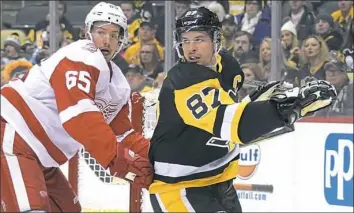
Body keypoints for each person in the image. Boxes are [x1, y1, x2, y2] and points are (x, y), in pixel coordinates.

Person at [148, 7, 336, 212]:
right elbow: (234, 126)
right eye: (185, 40)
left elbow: (226, 113)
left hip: (221, 181)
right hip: (180, 188)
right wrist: (290, 108)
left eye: (199, 39)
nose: (191, 48)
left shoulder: (228, 66)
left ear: (216, 40)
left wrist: (256, 105)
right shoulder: (182, 81)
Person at [0, 2, 153, 212]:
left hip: (42, 156)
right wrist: (115, 159)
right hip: (14, 135)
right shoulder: (79, 55)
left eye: (114, 34)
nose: (106, 40)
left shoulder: (116, 82)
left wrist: (159, 155)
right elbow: (79, 117)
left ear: (122, 41)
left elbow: (124, 135)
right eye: (101, 32)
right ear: (88, 33)